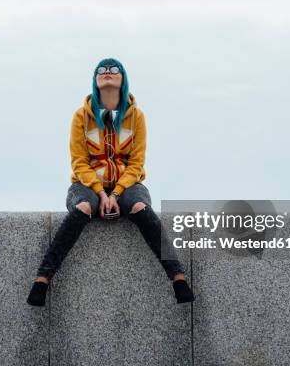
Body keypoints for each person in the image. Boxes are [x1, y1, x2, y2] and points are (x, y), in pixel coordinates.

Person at [27, 58, 194, 306]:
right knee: (83, 207)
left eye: (114, 69)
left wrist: (115, 193)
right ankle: (42, 279)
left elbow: (136, 164)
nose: (107, 72)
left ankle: (178, 277)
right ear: (95, 80)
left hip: (127, 185)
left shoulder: (136, 116)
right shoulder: (81, 117)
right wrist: (99, 193)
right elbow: (79, 162)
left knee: (140, 208)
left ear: (122, 79)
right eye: (101, 70)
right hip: (86, 184)